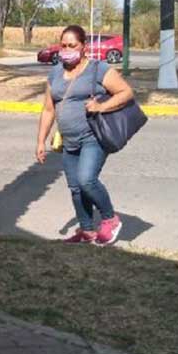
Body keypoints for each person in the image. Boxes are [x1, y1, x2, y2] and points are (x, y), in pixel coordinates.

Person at [35, 25, 134, 245]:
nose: (67, 50)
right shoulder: (55, 73)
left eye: (72, 45)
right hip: (69, 141)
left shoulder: (97, 69)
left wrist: (102, 106)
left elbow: (126, 92)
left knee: (86, 180)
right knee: (76, 188)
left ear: (84, 47)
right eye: (63, 45)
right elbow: (48, 109)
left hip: (93, 137)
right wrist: (41, 140)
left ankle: (110, 219)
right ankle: (87, 231)